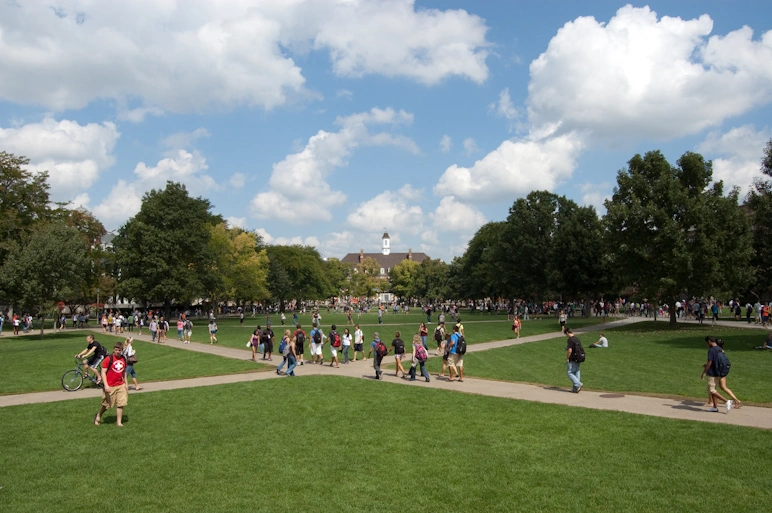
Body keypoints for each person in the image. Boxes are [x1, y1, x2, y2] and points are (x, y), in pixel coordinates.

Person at [94, 341, 129, 427]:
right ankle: (98, 415)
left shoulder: (123, 359)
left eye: (119, 350)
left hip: (120, 384)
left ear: (122, 350)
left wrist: (126, 383)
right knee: (106, 405)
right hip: (110, 385)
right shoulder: (108, 359)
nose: (117, 351)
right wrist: (105, 385)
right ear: (114, 349)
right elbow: (103, 372)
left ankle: (119, 422)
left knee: (121, 403)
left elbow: (124, 372)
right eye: (116, 350)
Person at [701, 336, 731, 412]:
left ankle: (727, 401)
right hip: (719, 371)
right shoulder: (720, 349)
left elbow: (710, 362)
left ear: (709, 341)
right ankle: (715, 407)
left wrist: (704, 372)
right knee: (714, 389)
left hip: (712, 373)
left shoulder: (711, 350)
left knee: (711, 390)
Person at [716, 339, 741, 409]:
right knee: (723, 387)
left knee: (715, 388)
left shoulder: (717, 351)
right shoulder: (722, 350)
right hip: (723, 370)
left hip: (719, 371)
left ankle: (736, 400)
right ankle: (736, 400)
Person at [564, 328, 584, 393]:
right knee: (577, 371)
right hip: (578, 357)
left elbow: (570, 350)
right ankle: (575, 388)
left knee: (569, 372)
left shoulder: (570, 340)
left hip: (573, 358)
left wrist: (567, 358)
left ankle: (578, 384)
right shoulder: (577, 339)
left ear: (567, 333)